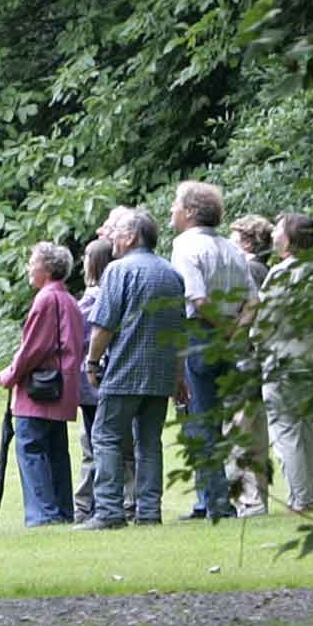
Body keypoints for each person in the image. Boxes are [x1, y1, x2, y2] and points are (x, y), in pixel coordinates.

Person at [78, 208, 186, 530]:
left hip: (125, 370)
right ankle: (149, 512)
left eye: (117, 232)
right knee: (149, 443)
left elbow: (104, 325)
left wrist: (92, 361)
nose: (110, 237)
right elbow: (180, 330)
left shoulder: (117, 271)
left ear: (132, 236)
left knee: (106, 436)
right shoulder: (172, 274)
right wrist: (178, 376)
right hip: (161, 373)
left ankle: (109, 511)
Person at [169, 180, 259, 522]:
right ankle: (206, 499)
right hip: (229, 341)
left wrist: (220, 329)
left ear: (191, 212)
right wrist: (237, 330)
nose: (172, 211)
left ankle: (217, 502)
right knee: (215, 419)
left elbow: (197, 298)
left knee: (199, 419)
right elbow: (253, 301)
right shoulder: (232, 249)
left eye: (176, 205)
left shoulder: (184, 246)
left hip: (200, 336)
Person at [0, 242, 84, 526]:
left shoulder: (46, 300)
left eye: (32, 262)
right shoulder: (69, 300)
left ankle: (43, 515)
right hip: (63, 387)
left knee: (31, 448)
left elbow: (33, 348)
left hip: (39, 391)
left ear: (46, 268)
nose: (28, 268)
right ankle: (62, 511)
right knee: (56, 451)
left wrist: (9, 375)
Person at [256, 212, 313, 512]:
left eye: (278, 231)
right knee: (307, 428)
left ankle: (301, 498)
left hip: (283, 359)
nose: (273, 235)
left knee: (286, 431)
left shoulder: (283, 273)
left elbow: (264, 322)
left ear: (291, 238)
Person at [72, 238, 133, 524]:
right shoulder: (121, 293)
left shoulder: (92, 299)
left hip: (94, 382)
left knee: (97, 445)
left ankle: (90, 505)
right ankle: (123, 501)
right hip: (112, 378)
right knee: (120, 444)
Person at [224, 214, 276, 517]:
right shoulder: (262, 268)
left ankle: (250, 500)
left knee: (241, 430)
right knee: (254, 431)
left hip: (244, 359)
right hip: (255, 360)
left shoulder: (249, 269)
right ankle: (258, 498)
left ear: (245, 239)